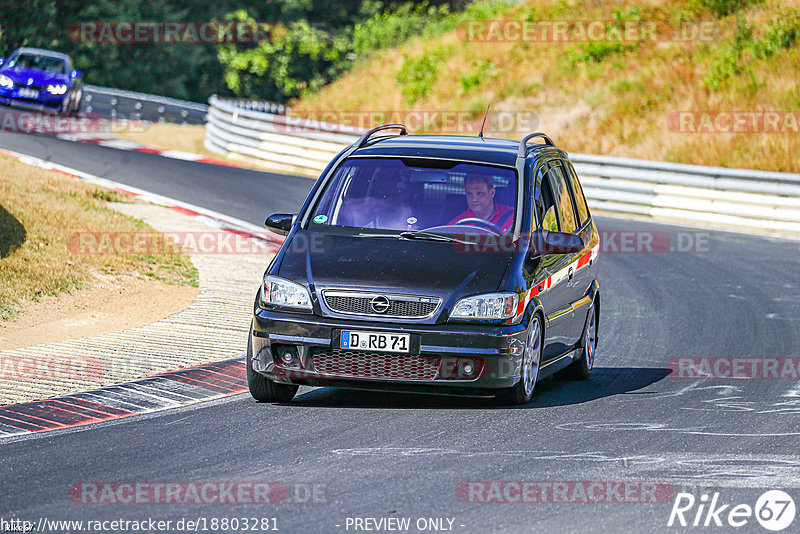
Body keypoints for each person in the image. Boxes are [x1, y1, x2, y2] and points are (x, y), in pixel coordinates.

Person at [448, 174, 514, 233]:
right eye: (469, 194)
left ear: (492, 193)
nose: (474, 199)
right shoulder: (457, 225)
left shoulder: (513, 216)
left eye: (479, 193)